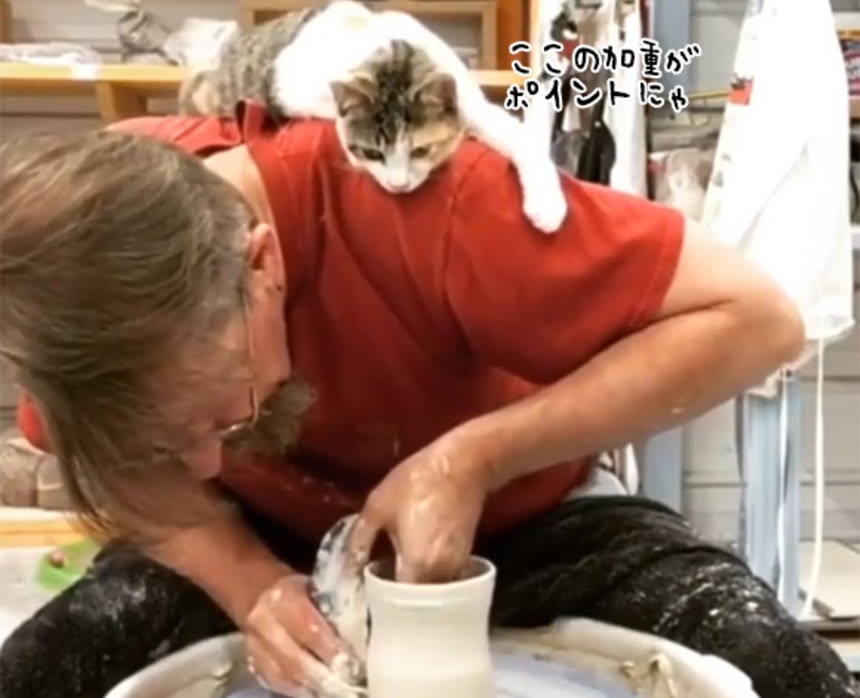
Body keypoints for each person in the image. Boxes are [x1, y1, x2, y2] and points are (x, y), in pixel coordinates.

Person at [0, 101, 855, 698]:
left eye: (224, 413)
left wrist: (472, 459)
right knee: (40, 671)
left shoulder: (429, 202)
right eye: (164, 441)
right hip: (259, 531)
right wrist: (246, 579)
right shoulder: (70, 286)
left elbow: (756, 320)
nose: (202, 460)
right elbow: (123, 474)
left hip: (527, 513)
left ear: (261, 266)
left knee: (777, 664)